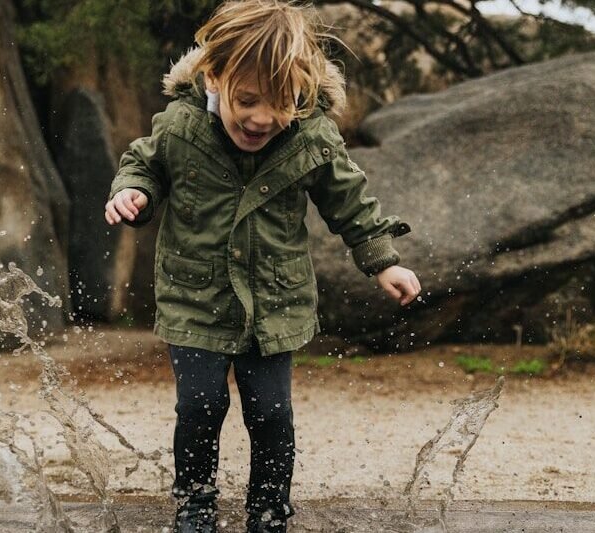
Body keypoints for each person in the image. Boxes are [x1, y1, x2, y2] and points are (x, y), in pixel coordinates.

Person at [104, 1, 421, 531]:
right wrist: (133, 191)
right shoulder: (182, 126)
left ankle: (270, 510)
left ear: (301, 90)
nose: (262, 119)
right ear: (214, 75)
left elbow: (350, 202)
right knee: (200, 408)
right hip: (195, 298)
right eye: (246, 100)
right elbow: (145, 162)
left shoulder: (312, 136)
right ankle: (195, 506)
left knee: (271, 415)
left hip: (275, 303)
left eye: (281, 103)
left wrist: (382, 260)